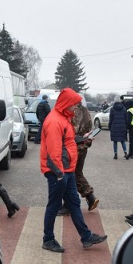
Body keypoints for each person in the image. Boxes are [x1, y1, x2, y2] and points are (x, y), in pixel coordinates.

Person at [40, 88, 107, 253]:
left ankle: (86, 237)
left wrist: (83, 138)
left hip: (67, 170)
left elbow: (67, 140)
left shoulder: (63, 118)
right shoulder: (55, 121)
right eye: (74, 105)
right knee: (54, 205)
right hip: (59, 172)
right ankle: (48, 239)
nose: (76, 108)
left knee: (74, 204)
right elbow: (53, 154)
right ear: (66, 104)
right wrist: (60, 174)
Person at [70, 101, 99, 211]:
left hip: (75, 146)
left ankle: (70, 204)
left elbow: (74, 131)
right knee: (77, 173)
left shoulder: (74, 112)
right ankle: (90, 197)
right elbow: (90, 129)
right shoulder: (86, 111)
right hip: (84, 146)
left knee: (70, 175)